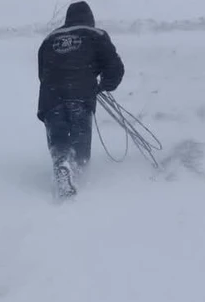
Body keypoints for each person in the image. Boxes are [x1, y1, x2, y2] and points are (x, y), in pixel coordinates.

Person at [37, 1, 125, 197]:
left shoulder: (50, 38)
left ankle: (62, 166)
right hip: (80, 97)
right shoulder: (95, 34)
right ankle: (75, 172)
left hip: (51, 98)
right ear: (90, 18)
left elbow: (42, 72)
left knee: (59, 138)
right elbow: (114, 67)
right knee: (79, 142)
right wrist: (103, 86)